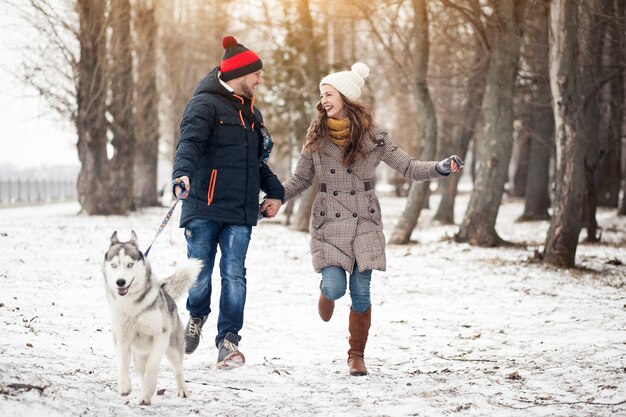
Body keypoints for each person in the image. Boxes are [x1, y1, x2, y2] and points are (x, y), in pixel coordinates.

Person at [279, 63, 462, 376]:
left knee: (361, 291)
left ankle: (356, 355)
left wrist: (440, 168)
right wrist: (273, 199)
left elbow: (410, 168)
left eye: (329, 94)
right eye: (322, 95)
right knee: (337, 287)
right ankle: (327, 292)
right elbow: (299, 179)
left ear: (346, 98)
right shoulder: (316, 137)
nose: (323, 100)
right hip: (329, 219)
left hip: (364, 218)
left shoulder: (375, 137)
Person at [171, 35, 284, 370]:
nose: (260, 80)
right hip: (203, 206)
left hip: (240, 209)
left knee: (235, 273)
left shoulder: (253, 113)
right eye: (256, 74)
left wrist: (275, 193)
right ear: (239, 74)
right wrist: (183, 175)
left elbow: (257, 162)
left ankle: (228, 341)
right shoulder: (203, 105)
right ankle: (196, 316)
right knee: (200, 274)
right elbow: (189, 144)